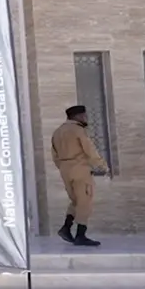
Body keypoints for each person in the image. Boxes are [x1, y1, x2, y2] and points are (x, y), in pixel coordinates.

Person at [51, 105, 109, 246]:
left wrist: (64, 167)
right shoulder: (78, 130)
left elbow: (54, 155)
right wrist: (103, 166)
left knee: (76, 200)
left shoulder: (58, 132)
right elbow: (89, 150)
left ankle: (66, 228)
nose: (85, 118)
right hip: (79, 168)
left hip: (65, 169)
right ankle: (80, 235)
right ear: (77, 116)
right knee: (84, 201)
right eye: (84, 115)